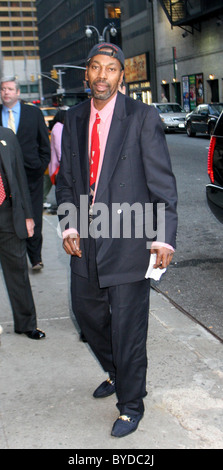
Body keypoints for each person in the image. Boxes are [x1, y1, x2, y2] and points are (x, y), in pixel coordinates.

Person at [56, 43, 177, 438]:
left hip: (129, 235)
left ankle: (130, 402)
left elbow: (162, 183)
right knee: (87, 314)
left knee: (127, 325)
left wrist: (163, 238)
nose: (103, 75)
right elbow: (68, 181)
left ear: (121, 76)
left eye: (111, 68)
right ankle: (115, 370)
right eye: (96, 67)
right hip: (86, 235)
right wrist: (69, 226)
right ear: (86, 75)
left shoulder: (142, 117)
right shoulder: (73, 119)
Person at [0, 77, 51, 270]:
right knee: (9, 217)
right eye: (3, 89)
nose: (6, 92)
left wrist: (40, 166)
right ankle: (15, 256)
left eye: (10, 89)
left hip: (31, 174)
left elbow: (44, 144)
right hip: (4, 178)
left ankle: (35, 257)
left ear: (18, 92)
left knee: (34, 216)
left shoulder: (33, 113)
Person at [0, 126, 45, 339]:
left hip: (8, 215)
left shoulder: (6, 136)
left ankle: (26, 324)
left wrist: (28, 215)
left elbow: (19, 177)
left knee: (18, 272)